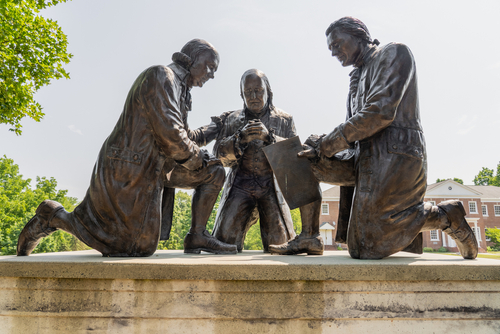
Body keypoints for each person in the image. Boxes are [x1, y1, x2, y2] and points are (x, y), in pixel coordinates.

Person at [269, 17, 478, 260]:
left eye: (337, 44)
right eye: (330, 48)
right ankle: (309, 236)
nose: (334, 52)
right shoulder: (356, 77)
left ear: (359, 36)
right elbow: (353, 132)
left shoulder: (394, 53)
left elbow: (380, 112)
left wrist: (328, 143)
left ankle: (445, 215)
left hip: (395, 156)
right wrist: (320, 147)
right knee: (295, 157)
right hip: (361, 157)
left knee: (364, 247)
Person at [17, 39, 237, 257]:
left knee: (214, 171)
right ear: (190, 59)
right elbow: (172, 137)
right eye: (209, 67)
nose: (212, 74)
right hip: (129, 166)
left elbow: (185, 137)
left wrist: (215, 127)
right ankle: (53, 216)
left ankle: (197, 235)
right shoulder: (161, 76)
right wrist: (201, 159)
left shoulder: (181, 89)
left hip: (156, 166)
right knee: (131, 246)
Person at [211, 69, 297, 252]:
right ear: (242, 95)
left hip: (271, 188)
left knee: (280, 244)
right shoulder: (232, 120)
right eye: (248, 92)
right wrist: (238, 139)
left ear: (268, 91)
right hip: (240, 186)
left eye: (258, 90)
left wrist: (270, 139)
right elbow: (217, 154)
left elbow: (296, 158)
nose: (254, 96)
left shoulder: (285, 120)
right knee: (224, 243)